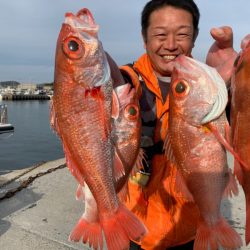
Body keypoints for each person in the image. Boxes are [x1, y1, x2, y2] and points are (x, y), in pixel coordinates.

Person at [108, 0, 238, 249]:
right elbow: (102, 91)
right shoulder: (126, 82)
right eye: (160, 35)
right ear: (144, 38)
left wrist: (237, 83)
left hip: (190, 227)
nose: (170, 45)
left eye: (182, 35)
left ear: (195, 37)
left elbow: (239, 134)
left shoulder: (209, 85)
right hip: (137, 229)